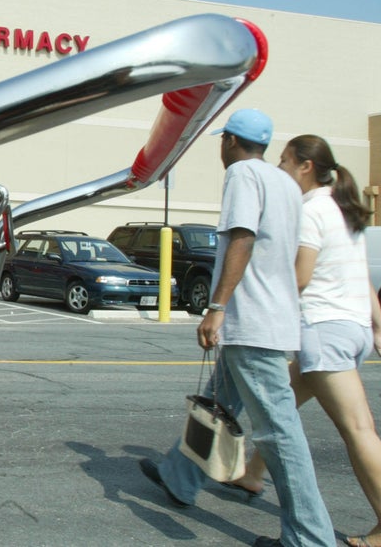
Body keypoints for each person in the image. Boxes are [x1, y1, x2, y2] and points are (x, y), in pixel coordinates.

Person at [138, 109, 336, 547]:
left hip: (252, 323)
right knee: (216, 402)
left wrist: (216, 306)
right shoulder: (283, 182)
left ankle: (309, 538)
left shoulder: (243, 175)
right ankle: (180, 477)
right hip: (270, 318)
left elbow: (243, 237)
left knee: (280, 434)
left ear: (229, 141)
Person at [227, 134, 381, 547]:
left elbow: (300, 278)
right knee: (280, 410)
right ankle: (252, 474)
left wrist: (258, 305)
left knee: (359, 430)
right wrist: (379, 328)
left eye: (284, 161)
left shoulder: (311, 210)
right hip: (351, 330)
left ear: (305, 166)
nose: (280, 169)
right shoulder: (344, 211)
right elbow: (361, 276)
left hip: (325, 333)